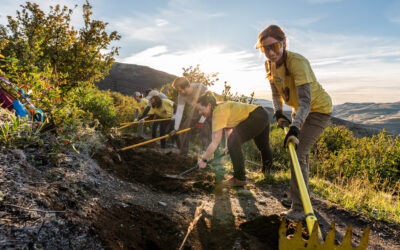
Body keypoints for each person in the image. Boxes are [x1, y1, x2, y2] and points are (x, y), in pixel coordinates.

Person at [255, 24, 332, 221]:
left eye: (275, 46)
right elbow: (275, 93)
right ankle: (298, 196)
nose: (271, 53)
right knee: (298, 155)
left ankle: (299, 209)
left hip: (318, 110)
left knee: (299, 153)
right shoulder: (269, 65)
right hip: (301, 110)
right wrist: (279, 113)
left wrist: (295, 127)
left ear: (284, 43)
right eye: (266, 49)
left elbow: (306, 101)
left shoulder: (298, 63)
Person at [196, 92, 273, 187]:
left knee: (235, 143)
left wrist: (204, 160)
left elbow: (215, 141)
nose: (200, 113)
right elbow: (228, 129)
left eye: (200, 110)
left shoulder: (217, 113)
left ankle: (239, 178)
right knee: (263, 145)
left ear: (208, 105)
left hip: (255, 116)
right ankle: (266, 173)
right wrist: (228, 146)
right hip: (262, 113)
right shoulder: (220, 108)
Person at [170, 77, 210, 155]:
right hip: (195, 110)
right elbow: (179, 112)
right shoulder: (181, 96)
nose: (179, 92)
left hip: (208, 109)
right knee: (185, 128)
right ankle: (184, 153)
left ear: (186, 86)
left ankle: (207, 155)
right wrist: (176, 128)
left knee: (205, 130)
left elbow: (207, 107)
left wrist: (201, 121)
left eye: (180, 90)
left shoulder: (201, 88)